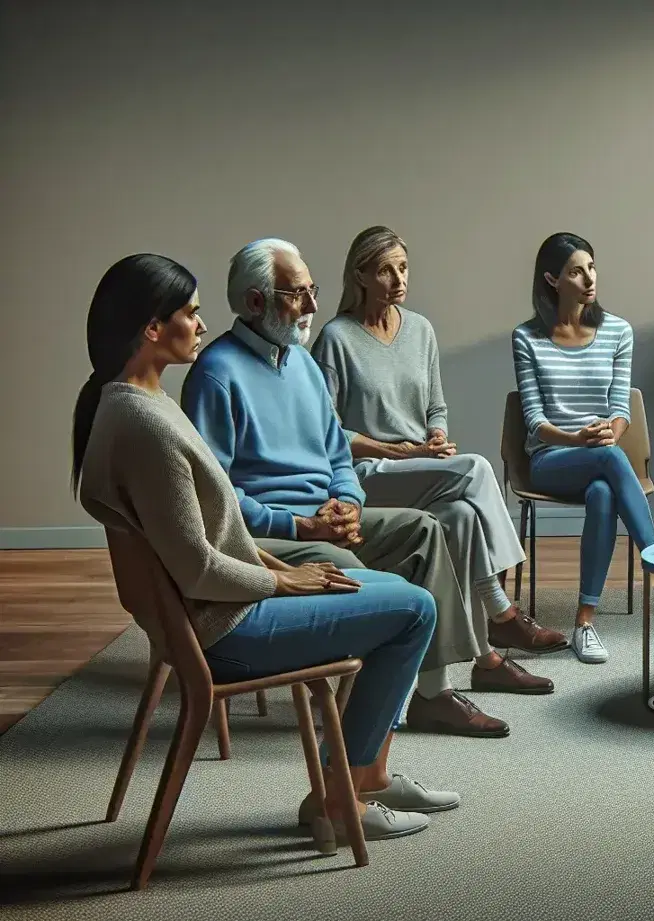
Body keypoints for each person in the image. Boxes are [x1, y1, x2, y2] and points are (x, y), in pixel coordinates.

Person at [75, 254, 455, 843]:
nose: (203, 325)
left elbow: (208, 533)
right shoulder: (146, 424)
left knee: (402, 593)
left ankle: (366, 779)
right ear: (153, 327)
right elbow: (200, 570)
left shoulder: (136, 405)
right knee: (414, 610)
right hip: (226, 632)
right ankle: (337, 799)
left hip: (219, 614)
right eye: (191, 314)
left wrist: (281, 564)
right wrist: (285, 579)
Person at [181, 239, 524, 741]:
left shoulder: (300, 363)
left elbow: (337, 455)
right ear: (256, 302)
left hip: (327, 515)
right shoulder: (216, 374)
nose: (314, 307)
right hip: (272, 536)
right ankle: (360, 709)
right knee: (359, 579)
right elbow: (218, 501)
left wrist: (349, 501)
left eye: (313, 290)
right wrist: (301, 524)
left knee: (427, 531)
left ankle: (434, 695)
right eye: (297, 295)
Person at [311, 226, 566, 680]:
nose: (398, 279)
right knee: (478, 467)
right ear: (361, 276)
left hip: (421, 466)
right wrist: (396, 450)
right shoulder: (336, 338)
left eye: (403, 268)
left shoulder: (421, 330)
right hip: (369, 472)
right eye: (386, 270)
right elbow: (326, 431)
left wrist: (436, 437)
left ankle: (486, 659)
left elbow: (435, 405)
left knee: (464, 518)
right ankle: (503, 612)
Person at [513, 232, 654, 665]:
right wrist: (579, 439)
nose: (589, 278)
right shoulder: (527, 337)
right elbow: (535, 421)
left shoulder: (617, 331)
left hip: (600, 456)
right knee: (610, 460)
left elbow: (620, 407)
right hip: (550, 459)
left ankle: (584, 622)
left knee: (603, 491)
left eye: (591, 267)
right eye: (577, 271)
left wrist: (610, 432)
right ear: (553, 280)